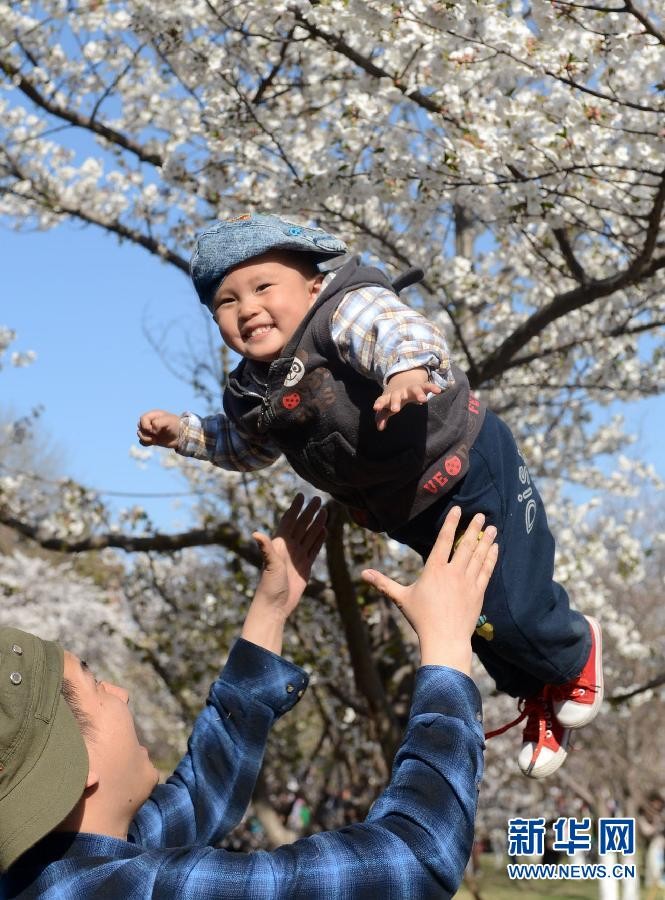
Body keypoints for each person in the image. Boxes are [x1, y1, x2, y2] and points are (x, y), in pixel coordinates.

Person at [137, 212, 603, 778]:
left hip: (470, 467)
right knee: (467, 614)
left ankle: (575, 652)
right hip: (406, 510)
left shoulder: (342, 311)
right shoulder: (252, 386)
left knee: (512, 603)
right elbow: (247, 448)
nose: (248, 308)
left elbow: (401, 332)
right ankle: (539, 689)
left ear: (311, 283)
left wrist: (405, 373)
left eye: (263, 287)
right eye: (227, 303)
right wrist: (185, 434)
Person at [0, 500, 496, 899]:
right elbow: (413, 859)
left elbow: (201, 797)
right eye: (94, 684)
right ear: (71, 761)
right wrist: (448, 648)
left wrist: (270, 612)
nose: (121, 692)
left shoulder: (57, 868)